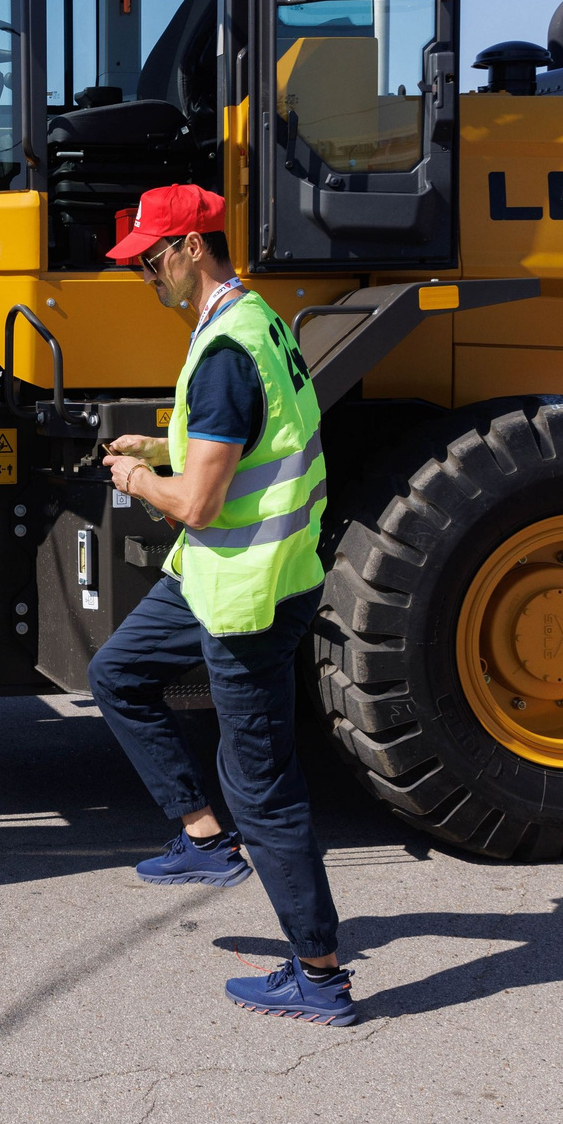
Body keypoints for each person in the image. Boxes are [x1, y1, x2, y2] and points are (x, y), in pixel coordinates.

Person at [84, 183, 352, 1026]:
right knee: (117, 674)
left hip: (248, 595)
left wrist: (136, 477)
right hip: (216, 576)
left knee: (262, 788)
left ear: (193, 247)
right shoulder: (251, 319)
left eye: (152, 260)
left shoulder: (228, 348)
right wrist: (162, 440)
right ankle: (204, 837)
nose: (147, 277)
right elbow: (248, 434)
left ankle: (321, 976)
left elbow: (198, 504)